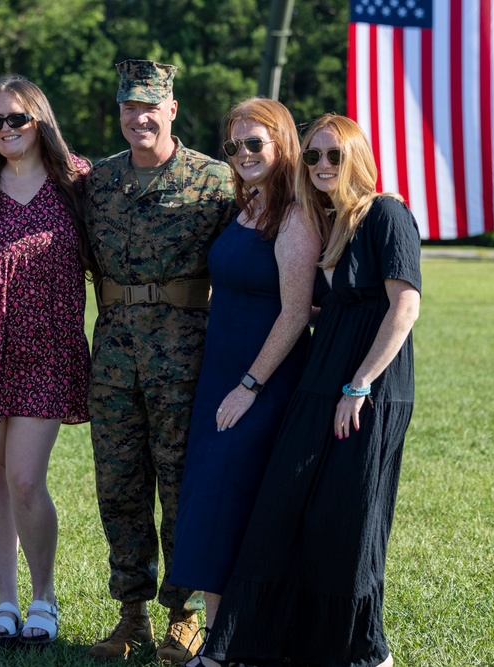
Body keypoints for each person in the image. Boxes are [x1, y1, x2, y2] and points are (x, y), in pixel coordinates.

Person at [198, 114, 421, 667]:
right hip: (323, 380)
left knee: (349, 521)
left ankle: (368, 654)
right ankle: (272, 644)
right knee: (289, 509)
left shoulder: (386, 214)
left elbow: (405, 306)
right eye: (314, 157)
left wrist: (360, 385)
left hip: (367, 390)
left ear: (358, 160)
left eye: (334, 156)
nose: (322, 165)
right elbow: (332, 307)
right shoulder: (334, 221)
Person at [83, 59, 235, 663]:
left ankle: (185, 613)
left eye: (150, 106)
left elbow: (271, 222)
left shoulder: (215, 180)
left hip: (185, 355)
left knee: (179, 484)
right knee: (118, 485)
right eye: (128, 107)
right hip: (115, 357)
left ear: (172, 109)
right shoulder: (97, 181)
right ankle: (131, 614)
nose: (139, 117)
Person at [168, 97, 319, 641]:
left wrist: (251, 385)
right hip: (219, 375)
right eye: (234, 145)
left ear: (283, 145)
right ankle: (218, 640)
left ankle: (243, 639)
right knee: (212, 502)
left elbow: (296, 311)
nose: (243, 154)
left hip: (262, 380)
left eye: (256, 143)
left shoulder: (295, 215)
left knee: (233, 502)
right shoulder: (244, 206)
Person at [0, 75, 95, 646]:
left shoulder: (78, 181)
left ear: (40, 121)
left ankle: (44, 598)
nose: (6, 129)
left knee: (23, 477)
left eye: (17, 118)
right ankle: (5, 603)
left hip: (48, 351)